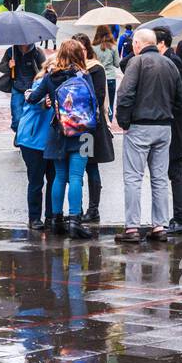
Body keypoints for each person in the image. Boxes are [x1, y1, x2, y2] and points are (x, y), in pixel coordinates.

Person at [114, 28, 182, 243]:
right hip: (164, 127)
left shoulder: (137, 63)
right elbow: (181, 99)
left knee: (133, 178)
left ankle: (132, 228)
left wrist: (124, 122)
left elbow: (125, 94)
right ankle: (159, 226)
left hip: (140, 126)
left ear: (137, 44)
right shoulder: (169, 63)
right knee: (160, 179)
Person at [25, 39, 95, 240]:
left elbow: (33, 97)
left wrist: (28, 92)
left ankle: (56, 220)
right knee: (76, 177)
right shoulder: (84, 75)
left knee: (59, 176)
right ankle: (75, 221)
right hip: (83, 134)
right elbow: (93, 102)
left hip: (58, 132)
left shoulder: (50, 77)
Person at [153, 26, 182, 234]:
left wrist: (170, 107)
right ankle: (178, 216)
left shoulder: (173, 60)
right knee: (171, 172)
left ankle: (181, 217)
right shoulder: (166, 58)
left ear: (161, 43)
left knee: (175, 172)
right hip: (172, 123)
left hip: (175, 126)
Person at [73, 33, 115, 225]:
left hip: (91, 127)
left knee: (90, 165)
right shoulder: (70, 68)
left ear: (87, 49)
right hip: (75, 127)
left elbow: (98, 98)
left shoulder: (94, 69)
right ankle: (77, 209)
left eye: (82, 49)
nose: (79, 53)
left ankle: (93, 209)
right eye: (76, 49)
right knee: (76, 169)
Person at [14, 70, 56, 230]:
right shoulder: (41, 83)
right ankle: (34, 218)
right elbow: (35, 101)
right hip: (33, 141)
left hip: (51, 141)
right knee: (36, 181)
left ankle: (51, 216)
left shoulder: (61, 82)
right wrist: (44, 103)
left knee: (54, 180)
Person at [1, 43, 46, 132]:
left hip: (33, 90)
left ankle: (24, 138)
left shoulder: (37, 52)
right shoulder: (11, 51)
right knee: (16, 120)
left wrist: (38, 77)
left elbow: (45, 69)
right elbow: (2, 68)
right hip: (17, 88)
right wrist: (8, 66)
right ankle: (19, 133)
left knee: (31, 118)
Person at [93, 26, 120, 121]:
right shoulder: (113, 48)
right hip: (111, 78)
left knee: (99, 103)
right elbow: (117, 64)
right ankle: (109, 123)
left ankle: (101, 122)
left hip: (98, 78)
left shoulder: (93, 48)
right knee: (110, 103)